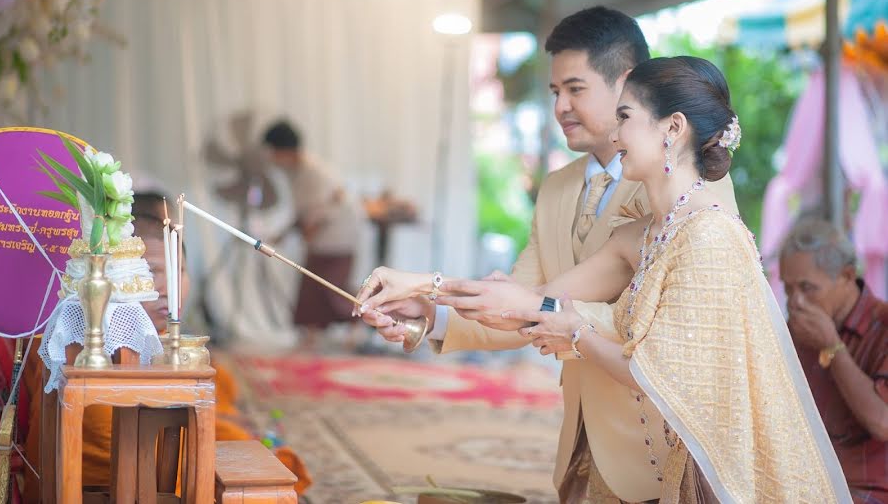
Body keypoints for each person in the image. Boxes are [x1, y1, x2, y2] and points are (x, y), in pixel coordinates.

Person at [359, 56, 851, 502]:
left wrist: (574, 331)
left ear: (672, 128)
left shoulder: (708, 237)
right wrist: (423, 289)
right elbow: (534, 299)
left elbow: (657, 375)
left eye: (625, 117)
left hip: (716, 475)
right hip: (661, 465)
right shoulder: (646, 233)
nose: (615, 136)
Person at [22, 192, 312, 498]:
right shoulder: (84, 343)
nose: (167, 287)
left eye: (179, 271)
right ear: (115, 276)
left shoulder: (158, 338)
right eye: (151, 272)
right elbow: (114, 448)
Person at [780, 217, 887, 503]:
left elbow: (882, 422)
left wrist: (832, 347)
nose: (796, 302)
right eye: (788, 289)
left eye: (807, 288)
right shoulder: (793, 333)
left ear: (847, 276)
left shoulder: (884, 327)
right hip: (806, 486)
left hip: (868, 492)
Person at [263, 120, 365, 350]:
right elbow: (303, 211)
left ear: (283, 150)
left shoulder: (313, 172)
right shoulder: (296, 172)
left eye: (273, 152)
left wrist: (308, 231)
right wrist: (285, 233)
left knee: (332, 288)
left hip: (338, 236)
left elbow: (323, 208)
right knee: (311, 287)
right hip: (321, 238)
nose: (271, 158)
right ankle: (311, 334)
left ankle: (359, 323)